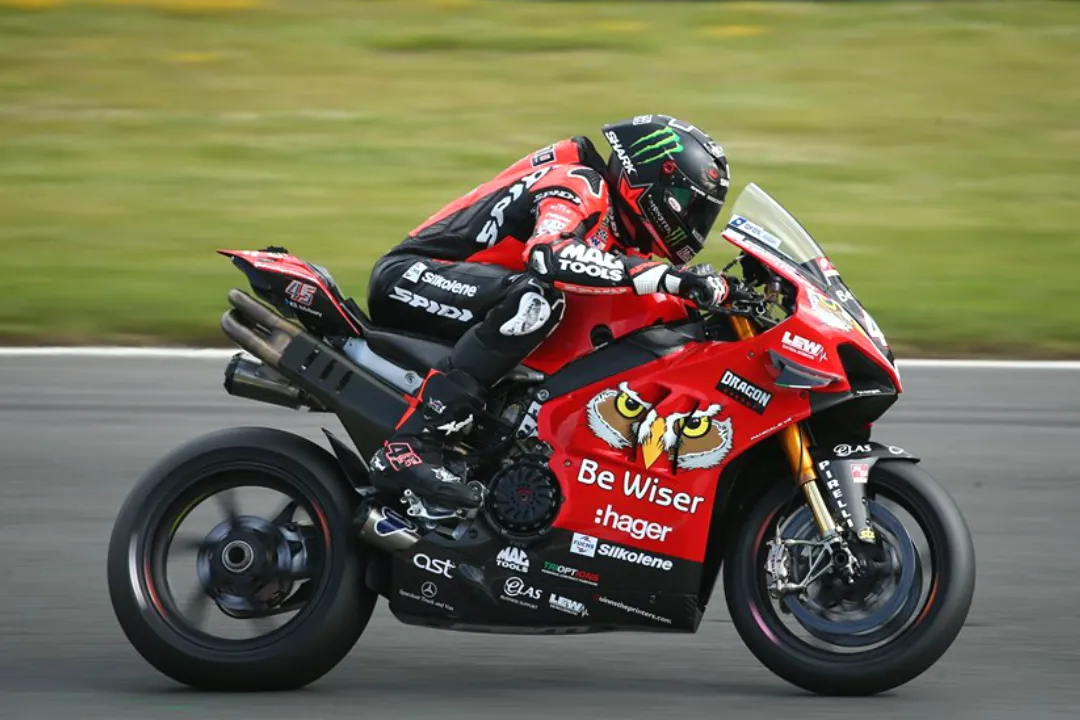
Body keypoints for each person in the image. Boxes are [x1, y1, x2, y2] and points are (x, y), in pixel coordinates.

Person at [365, 114, 732, 513]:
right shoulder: (578, 182)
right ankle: (414, 442)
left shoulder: (619, 230)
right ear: (656, 181)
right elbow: (548, 255)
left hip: (470, 294)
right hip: (410, 276)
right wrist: (667, 278)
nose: (692, 223)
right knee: (536, 301)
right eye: (689, 206)